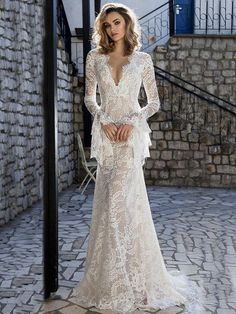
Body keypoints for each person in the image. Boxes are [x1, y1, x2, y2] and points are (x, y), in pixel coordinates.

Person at [72, 3, 203, 314]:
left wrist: (131, 119)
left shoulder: (143, 60)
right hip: (107, 136)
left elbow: (153, 102)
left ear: (127, 25)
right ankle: (110, 279)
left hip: (130, 138)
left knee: (124, 201)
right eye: (106, 25)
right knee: (109, 203)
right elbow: (90, 97)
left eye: (116, 23)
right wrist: (103, 119)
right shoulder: (94, 57)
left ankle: (131, 279)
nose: (112, 29)